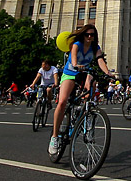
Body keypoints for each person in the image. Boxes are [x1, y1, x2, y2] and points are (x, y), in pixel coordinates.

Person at [48, 24, 113, 156]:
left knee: (92, 83)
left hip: (84, 73)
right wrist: (76, 65)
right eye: (87, 34)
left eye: (92, 35)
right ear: (83, 35)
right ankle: (54, 137)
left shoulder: (96, 48)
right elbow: (73, 58)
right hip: (71, 73)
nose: (89, 37)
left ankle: (86, 112)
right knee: (62, 102)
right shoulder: (77, 44)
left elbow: (100, 60)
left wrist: (108, 72)